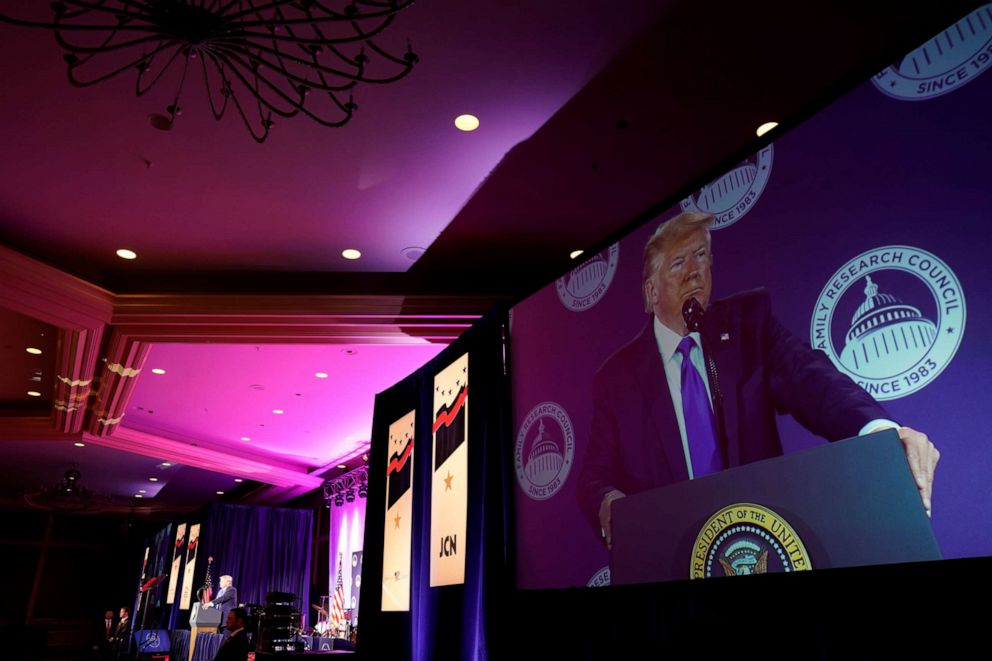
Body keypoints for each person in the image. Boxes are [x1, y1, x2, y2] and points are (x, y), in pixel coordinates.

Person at [576, 211, 940, 549]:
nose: (694, 272)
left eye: (701, 256)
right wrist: (608, 501)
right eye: (678, 263)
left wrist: (876, 430)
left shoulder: (748, 325)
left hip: (762, 540)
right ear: (651, 292)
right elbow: (594, 476)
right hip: (675, 555)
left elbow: (810, 378)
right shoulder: (617, 379)